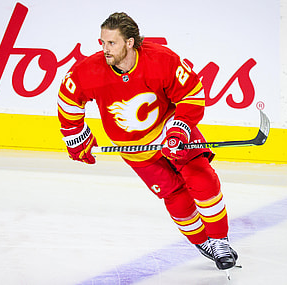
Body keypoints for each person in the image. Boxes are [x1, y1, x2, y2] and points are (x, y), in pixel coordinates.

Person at [57, 12, 238, 271]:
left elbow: (192, 94)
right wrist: (76, 137)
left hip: (170, 130)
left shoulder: (161, 60)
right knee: (174, 195)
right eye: (102, 43)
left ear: (130, 42)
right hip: (134, 148)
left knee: (201, 176)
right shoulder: (90, 70)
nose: (105, 50)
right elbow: (68, 98)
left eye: (112, 43)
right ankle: (203, 242)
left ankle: (219, 240)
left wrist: (179, 130)